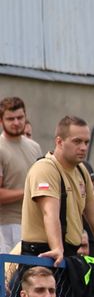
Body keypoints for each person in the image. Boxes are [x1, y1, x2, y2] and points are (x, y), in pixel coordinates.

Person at [20, 115, 94, 273]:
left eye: (86, 142)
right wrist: (57, 248)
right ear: (59, 141)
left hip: (68, 255)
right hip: (42, 255)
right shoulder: (45, 168)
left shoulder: (81, 171)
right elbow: (49, 212)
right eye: (77, 141)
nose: (84, 147)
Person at [0, 95, 42, 253]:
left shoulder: (35, 147)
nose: (16, 123)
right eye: (10, 119)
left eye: (20, 117)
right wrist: (27, 191)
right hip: (8, 225)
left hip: (35, 224)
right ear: (1, 121)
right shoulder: (1, 148)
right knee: (9, 276)